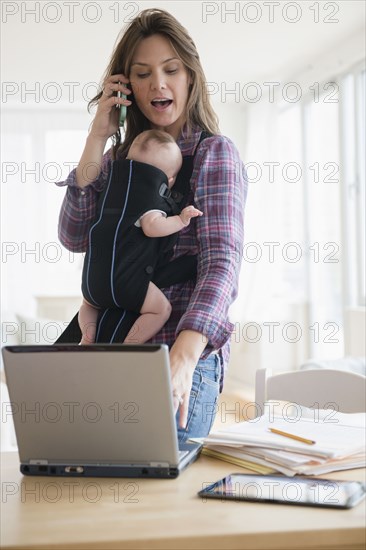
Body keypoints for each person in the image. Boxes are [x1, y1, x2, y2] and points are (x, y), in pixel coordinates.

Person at [56, 8, 247, 442]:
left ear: (190, 78)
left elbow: (221, 262)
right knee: (79, 469)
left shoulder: (214, 154)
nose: (158, 83)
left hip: (180, 347)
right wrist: (96, 137)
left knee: (156, 486)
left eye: (171, 70)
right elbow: (72, 236)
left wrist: (185, 354)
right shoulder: (114, 162)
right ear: (127, 87)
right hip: (111, 345)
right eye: (142, 74)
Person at [78, 129, 203, 344]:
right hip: (126, 283)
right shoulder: (148, 199)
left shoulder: (111, 191)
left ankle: (88, 336)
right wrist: (181, 220)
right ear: (169, 180)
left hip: (92, 282)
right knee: (161, 310)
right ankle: (130, 345)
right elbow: (152, 227)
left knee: (88, 305)